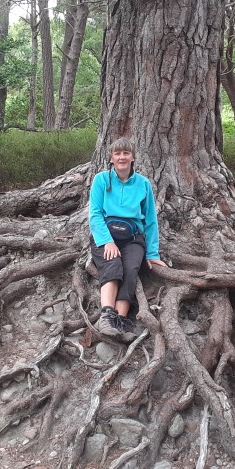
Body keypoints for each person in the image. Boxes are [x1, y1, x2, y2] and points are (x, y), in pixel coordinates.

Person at [88, 137, 166, 341]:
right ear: (111, 158)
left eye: (126, 153)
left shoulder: (143, 184)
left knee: (131, 270)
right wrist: (107, 241)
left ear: (133, 157)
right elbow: (95, 214)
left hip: (133, 237)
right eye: (117, 153)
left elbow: (150, 220)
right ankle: (106, 316)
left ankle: (119, 322)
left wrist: (152, 253)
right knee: (113, 265)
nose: (122, 157)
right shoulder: (101, 180)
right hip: (106, 235)